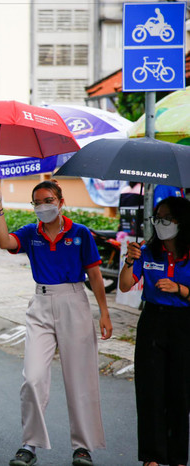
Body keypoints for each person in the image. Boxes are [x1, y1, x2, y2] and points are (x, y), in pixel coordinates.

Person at [0, 180, 112, 466]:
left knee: (80, 379)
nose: (43, 206)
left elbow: (94, 275)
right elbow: (6, 242)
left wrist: (104, 312)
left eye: (48, 200)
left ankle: (83, 447)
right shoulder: (31, 233)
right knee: (32, 378)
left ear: (61, 201)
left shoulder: (80, 233)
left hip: (74, 302)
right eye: (38, 202)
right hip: (41, 304)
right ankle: (29, 444)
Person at [119, 196, 190, 466]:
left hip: (184, 324)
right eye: (156, 217)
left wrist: (180, 290)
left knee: (180, 393)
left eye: (166, 218)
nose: (160, 223)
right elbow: (125, 286)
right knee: (150, 391)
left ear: (181, 222)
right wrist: (128, 260)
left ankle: (178, 458)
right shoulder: (147, 251)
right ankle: (152, 458)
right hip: (152, 322)